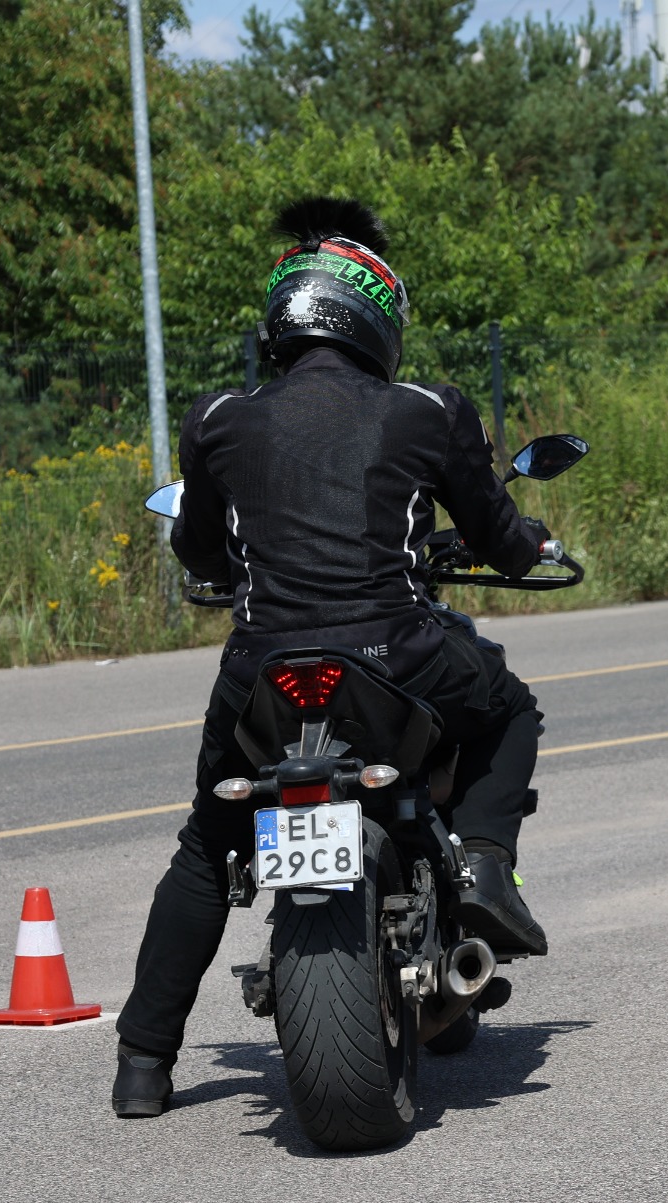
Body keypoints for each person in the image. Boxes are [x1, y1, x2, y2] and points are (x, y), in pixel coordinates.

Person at [112, 197, 553, 1119]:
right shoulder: (427, 409)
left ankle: (143, 1064)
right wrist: (531, 545)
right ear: (374, 315)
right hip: (398, 653)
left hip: (263, 671)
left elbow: (198, 554)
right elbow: (497, 534)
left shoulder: (220, 417)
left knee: (206, 845)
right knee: (510, 708)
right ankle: (478, 865)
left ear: (284, 316)